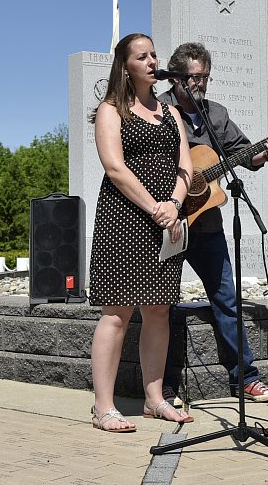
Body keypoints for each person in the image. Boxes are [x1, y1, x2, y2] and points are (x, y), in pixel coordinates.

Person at [158, 41, 268, 404]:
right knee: (162, 305)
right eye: (194, 79)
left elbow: (245, 154)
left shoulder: (216, 114)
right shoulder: (157, 110)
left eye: (205, 78)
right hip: (170, 223)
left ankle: (245, 377)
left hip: (209, 224)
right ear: (177, 77)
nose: (200, 85)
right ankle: (164, 385)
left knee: (227, 299)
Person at [88, 32, 195, 432]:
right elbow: (114, 167)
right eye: (142, 56)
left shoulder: (171, 113)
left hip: (167, 221)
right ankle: (104, 406)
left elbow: (185, 165)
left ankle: (154, 399)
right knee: (117, 312)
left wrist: (174, 205)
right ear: (126, 66)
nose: (152, 61)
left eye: (154, 55)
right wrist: (153, 207)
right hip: (125, 219)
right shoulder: (112, 109)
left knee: (159, 309)